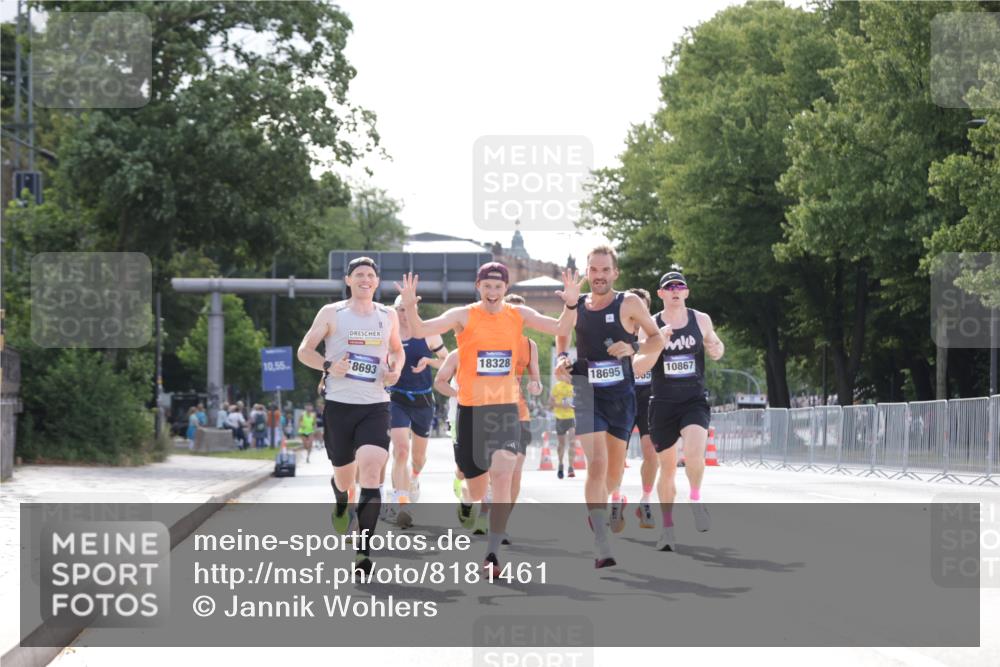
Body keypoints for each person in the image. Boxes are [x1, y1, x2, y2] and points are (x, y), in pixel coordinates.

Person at [396, 262, 580, 576]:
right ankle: (468, 501)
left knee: (504, 474)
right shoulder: (463, 315)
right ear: (478, 287)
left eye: (498, 287)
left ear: (506, 289)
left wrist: (572, 302)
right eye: (487, 286)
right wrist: (411, 308)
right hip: (470, 410)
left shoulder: (517, 315)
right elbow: (422, 330)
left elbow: (561, 329)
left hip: (505, 409)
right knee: (477, 487)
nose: (493, 293)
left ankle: (493, 553)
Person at [555, 245, 665, 568]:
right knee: (597, 464)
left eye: (605, 270)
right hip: (586, 390)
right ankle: (601, 541)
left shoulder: (628, 303)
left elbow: (656, 339)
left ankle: (604, 505)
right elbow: (562, 336)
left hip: (620, 395)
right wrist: (563, 357)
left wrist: (631, 346)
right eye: (594, 270)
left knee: (614, 475)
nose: (599, 276)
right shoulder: (576, 304)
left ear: (615, 273)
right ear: (587, 272)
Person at [298, 256, 404, 576]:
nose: (365, 279)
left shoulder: (388, 316)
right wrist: (330, 366)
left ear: (376, 282)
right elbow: (305, 350)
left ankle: (363, 551)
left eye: (370, 275)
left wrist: (395, 369)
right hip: (340, 405)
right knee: (345, 478)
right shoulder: (332, 313)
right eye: (359, 274)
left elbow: (397, 350)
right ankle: (342, 500)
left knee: (371, 472)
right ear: (348, 281)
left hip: (375, 405)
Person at [645, 270, 725, 551]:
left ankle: (695, 499)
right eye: (670, 287)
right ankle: (667, 529)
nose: (676, 290)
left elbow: (716, 346)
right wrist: (658, 344)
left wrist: (716, 349)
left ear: (687, 293)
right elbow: (641, 362)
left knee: (693, 455)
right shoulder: (651, 324)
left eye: (680, 286)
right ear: (661, 294)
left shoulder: (700, 319)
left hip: (693, 399)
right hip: (662, 402)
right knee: (666, 469)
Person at [385, 294, 449, 525]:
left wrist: (429, 362)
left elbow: (448, 360)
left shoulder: (428, 332)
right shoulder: (388, 333)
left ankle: (413, 479)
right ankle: (401, 503)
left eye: (407, 309)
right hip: (397, 398)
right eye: (399, 309)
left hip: (423, 400)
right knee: (400, 450)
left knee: (418, 458)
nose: (403, 314)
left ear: (415, 308)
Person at [628, 288, 658, 529]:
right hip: (622, 396)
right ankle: (616, 500)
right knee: (615, 456)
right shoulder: (615, 331)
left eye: (642, 305)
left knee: (651, 451)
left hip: (649, 395)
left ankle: (646, 500)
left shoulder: (656, 332)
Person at [549, 377, 576, 479]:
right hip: (560, 417)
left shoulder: (575, 386)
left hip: (572, 417)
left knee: (572, 442)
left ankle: (571, 467)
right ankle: (560, 465)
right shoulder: (557, 386)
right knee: (562, 444)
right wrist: (561, 405)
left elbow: (580, 401)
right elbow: (550, 402)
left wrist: (575, 405)